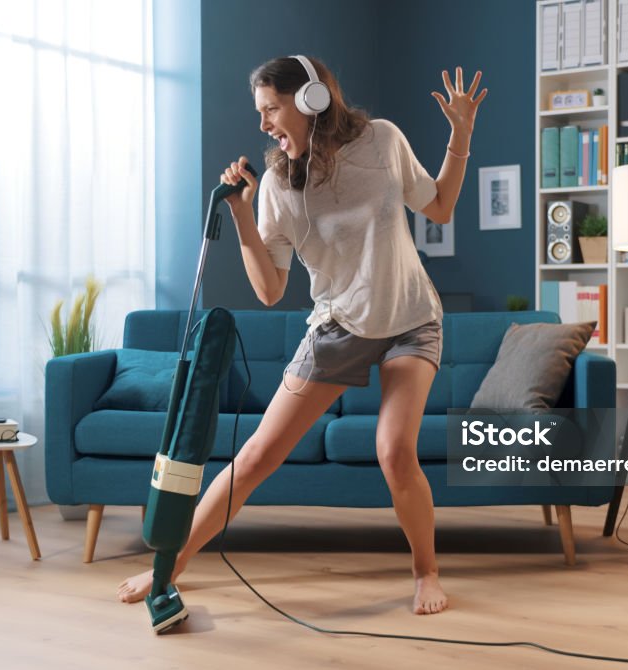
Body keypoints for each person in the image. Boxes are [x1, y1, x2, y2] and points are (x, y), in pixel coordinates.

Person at [119, 55, 486, 615]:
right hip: (338, 327)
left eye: (272, 108)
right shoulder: (276, 185)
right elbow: (269, 289)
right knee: (258, 455)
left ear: (312, 100)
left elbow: (439, 204)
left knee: (394, 451)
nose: (264, 123)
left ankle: (426, 572)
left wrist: (460, 135)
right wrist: (244, 217)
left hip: (411, 319)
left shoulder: (382, 141)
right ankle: (169, 566)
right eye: (259, 112)